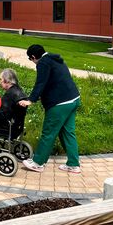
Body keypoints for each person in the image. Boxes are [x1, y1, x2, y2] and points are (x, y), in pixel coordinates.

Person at [18, 44, 82, 174]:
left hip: (60, 104)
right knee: (67, 132)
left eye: (31, 59)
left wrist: (30, 100)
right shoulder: (54, 59)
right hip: (74, 99)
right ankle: (73, 164)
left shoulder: (43, 63)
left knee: (48, 133)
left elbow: (40, 83)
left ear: (34, 57)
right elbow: (54, 80)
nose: (32, 62)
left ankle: (38, 163)